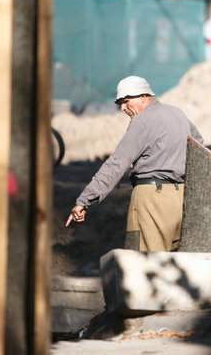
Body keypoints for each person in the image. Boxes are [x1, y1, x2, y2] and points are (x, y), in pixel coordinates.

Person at [65, 76, 203, 252]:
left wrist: (84, 200)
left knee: (144, 265)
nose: (122, 108)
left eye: (126, 101)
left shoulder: (141, 121)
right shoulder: (177, 114)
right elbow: (198, 147)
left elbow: (116, 164)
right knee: (174, 266)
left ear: (143, 96)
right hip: (182, 200)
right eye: (120, 103)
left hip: (151, 200)